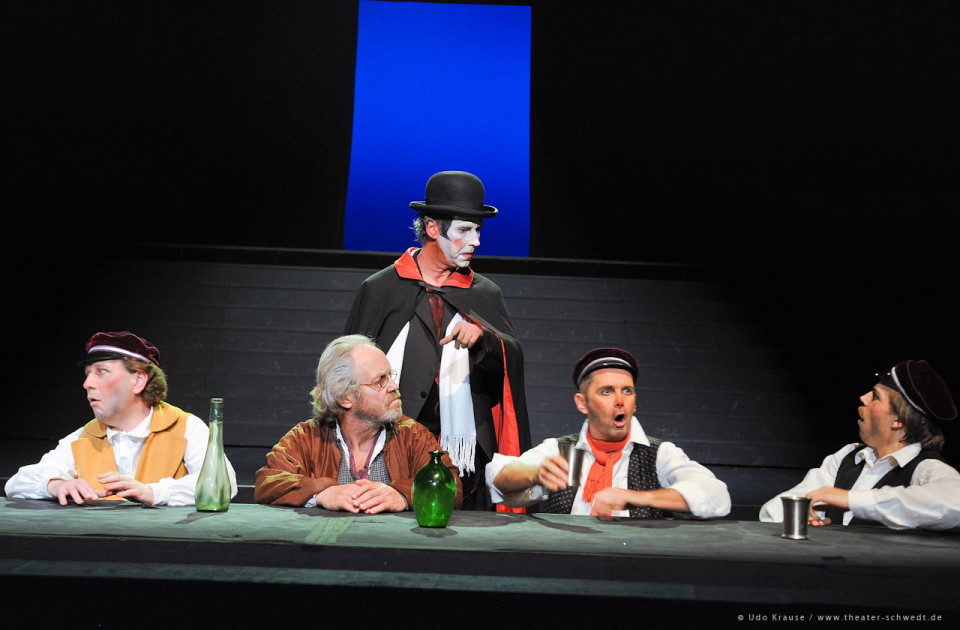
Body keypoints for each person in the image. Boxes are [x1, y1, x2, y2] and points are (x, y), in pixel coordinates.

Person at [342, 170, 530, 510]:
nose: (476, 241)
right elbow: (346, 370)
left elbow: (510, 360)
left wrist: (484, 340)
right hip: (390, 444)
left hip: (465, 451)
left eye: (478, 230)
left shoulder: (484, 293)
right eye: (464, 230)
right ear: (432, 229)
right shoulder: (382, 288)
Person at [486, 348, 731, 518]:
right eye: (607, 391)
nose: (620, 400)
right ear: (582, 403)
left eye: (627, 391)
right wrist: (535, 473)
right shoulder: (566, 452)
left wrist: (637, 497)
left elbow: (716, 496)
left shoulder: (657, 455)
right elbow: (498, 477)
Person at [4, 331, 237, 506]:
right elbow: (16, 483)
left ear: (138, 381)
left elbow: (223, 484)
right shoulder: (85, 437)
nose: (87, 383)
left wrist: (154, 492)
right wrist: (55, 485)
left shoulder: (185, 428)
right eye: (87, 374)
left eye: (102, 371)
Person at [254, 334, 462, 512]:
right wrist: (321, 493)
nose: (393, 386)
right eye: (380, 381)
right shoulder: (307, 437)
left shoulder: (412, 435)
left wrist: (403, 495)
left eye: (390, 376)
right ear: (345, 397)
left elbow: (452, 486)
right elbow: (267, 483)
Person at [760, 360, 960, 530]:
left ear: (898, 420)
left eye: (875, 396)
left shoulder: (927, 467)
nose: (863, 398)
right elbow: (775, 508)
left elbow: (954, 503)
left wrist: (851, 500)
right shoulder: (848, 456)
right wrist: (803, 517)